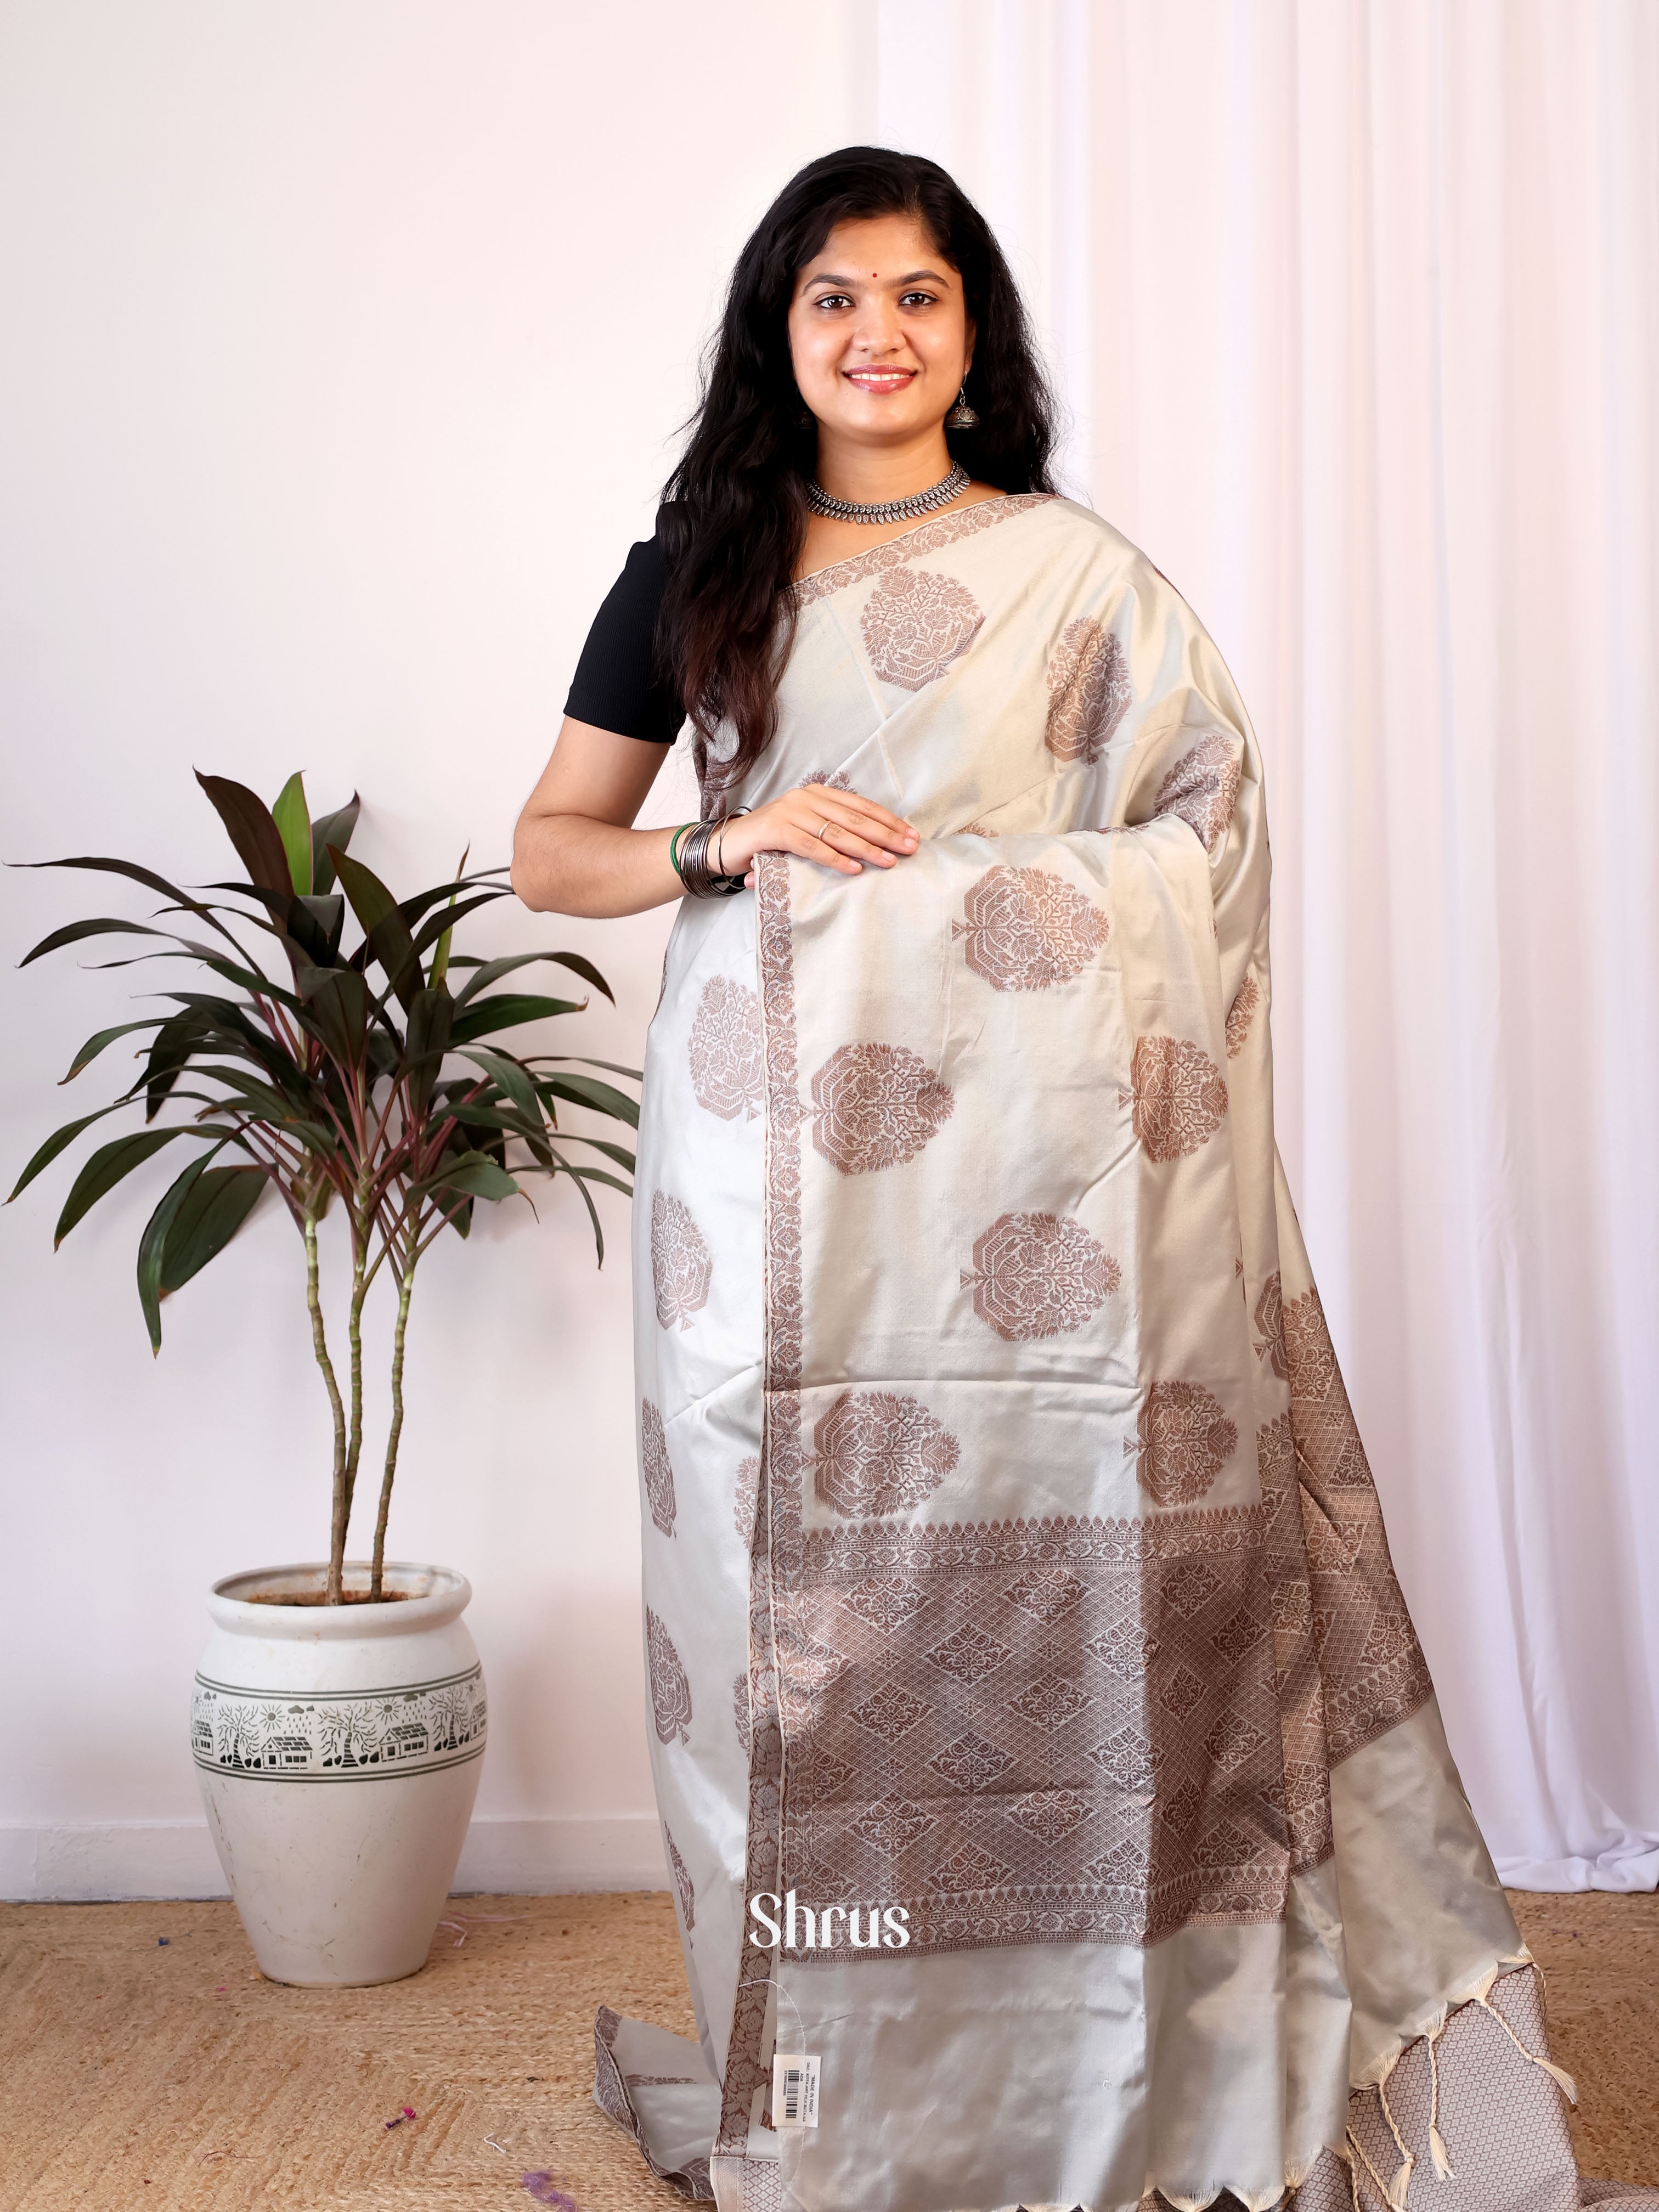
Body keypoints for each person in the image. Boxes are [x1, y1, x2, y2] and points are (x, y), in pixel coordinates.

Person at [512, 148, 1642, 2212]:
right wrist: (727, 843)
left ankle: (1103, 2082)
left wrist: (951, 894)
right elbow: (552, 850)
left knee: (1095, 1605)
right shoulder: (694, 571)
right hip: (765, 1198)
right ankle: (836, 2102)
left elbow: (1210, 844)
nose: (878, 334)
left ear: (976, 333)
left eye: (919, 296)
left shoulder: (1083, 579)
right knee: (789, 1628)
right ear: (779, 329)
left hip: (1063, 1213)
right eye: (836, 296)